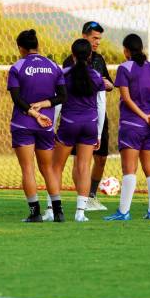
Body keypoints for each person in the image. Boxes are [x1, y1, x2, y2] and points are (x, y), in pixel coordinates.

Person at [6, 29, 66, 222]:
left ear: (21, 48)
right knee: (47, 168)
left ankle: (35, 213)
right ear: (37, 46)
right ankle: (58, 212)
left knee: (28, 169)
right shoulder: (54, 66)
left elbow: (16, 98)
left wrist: (33, 112)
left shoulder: (17, 67)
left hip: (23, 124)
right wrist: (45, 104)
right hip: (46, 126)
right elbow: (63, 96)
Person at [104, 34, 150, 221]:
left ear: (126, 51)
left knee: (129, 168)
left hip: (132, 124)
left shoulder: (124, 68)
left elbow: (126, 98)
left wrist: (144, 116)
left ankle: (123, 212)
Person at [59, 21, 114, 213]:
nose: (97, 42)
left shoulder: (99, 60)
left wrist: (106, 84)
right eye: (94, 38)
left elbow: (108, 85)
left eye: (99, 38)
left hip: (94, 117)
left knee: (100, 158)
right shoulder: (69, 63)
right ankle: (80, 202)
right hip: (81, 117)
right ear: (84, 37)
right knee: (80, 162)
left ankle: (88, 198)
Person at [52, 39, 105, 222]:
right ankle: (80, 213)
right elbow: (101, 105)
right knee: (83, 168)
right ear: (90, 55)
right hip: (89, 124)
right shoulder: (97, 76)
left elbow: (58, 103)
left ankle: (52, 210)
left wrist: (52, 126)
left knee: (56, 167)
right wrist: (98, 132)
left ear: (72, 55)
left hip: (69, 123)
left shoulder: (63, 74)